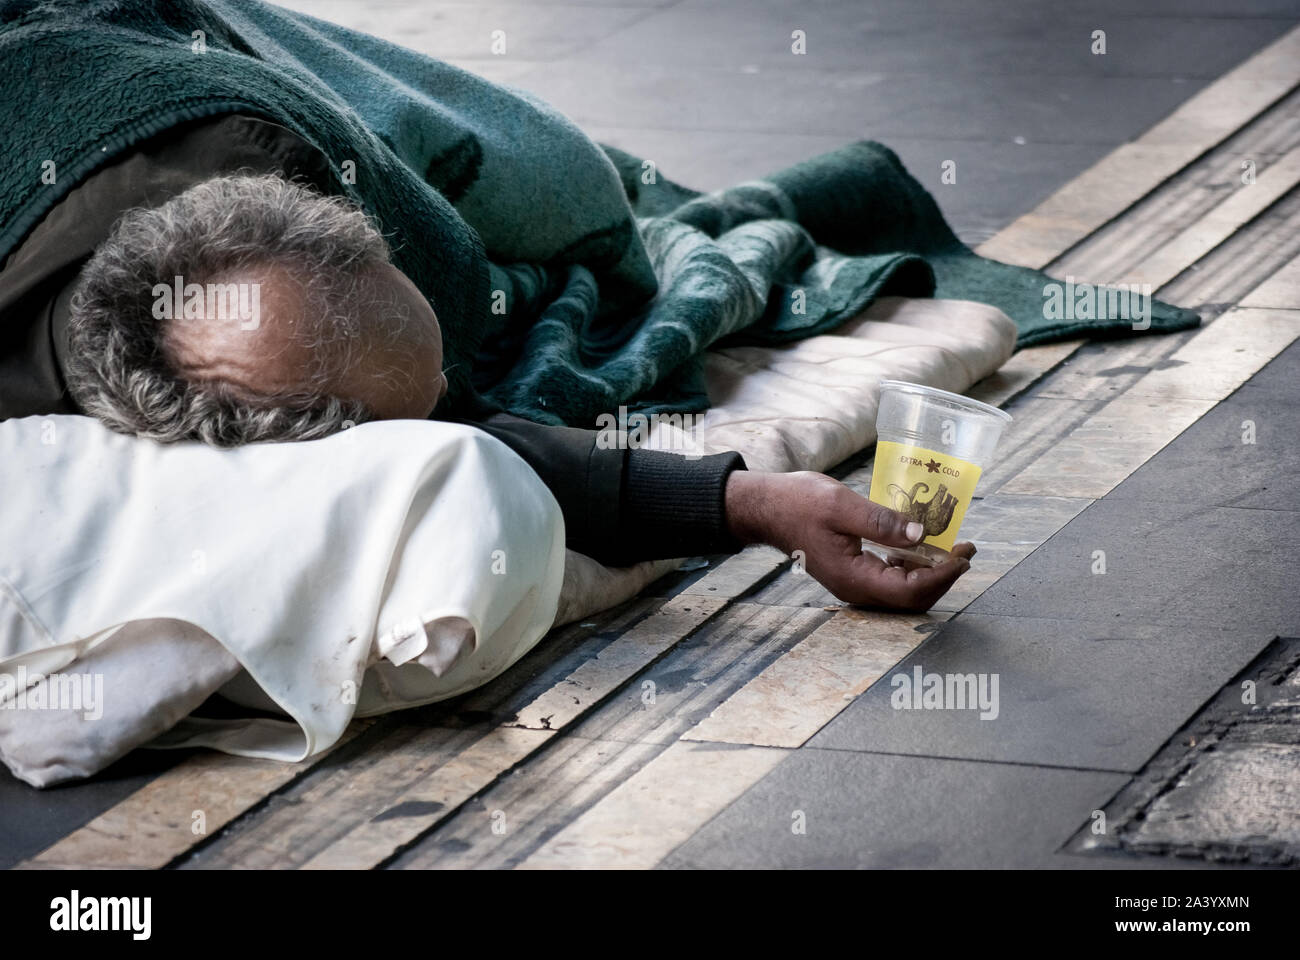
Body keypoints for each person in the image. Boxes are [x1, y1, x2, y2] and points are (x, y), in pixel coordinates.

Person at [0, 115, 975, 612]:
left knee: (550, 175)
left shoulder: (271, 155)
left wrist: (767, 504)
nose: (467, 413)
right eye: (420, 421)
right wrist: (742, 506)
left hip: (175, 81)